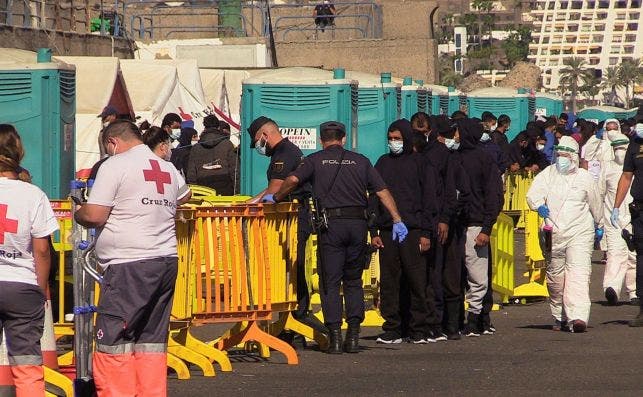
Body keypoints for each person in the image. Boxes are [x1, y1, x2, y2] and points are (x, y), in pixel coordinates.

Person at [266, 121, 408, 354]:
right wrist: (396, 218)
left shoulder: (314, 160)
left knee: (330, 281)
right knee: (353, 281)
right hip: (358, 225)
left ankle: (334, 337)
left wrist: (277, 198)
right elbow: (381, 191)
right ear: (343, 139)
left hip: (330, 226)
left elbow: (292, 180)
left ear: (323, 140)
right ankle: (353, 336)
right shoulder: (361, 161)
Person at [74, 120, 191, 396]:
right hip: (165, 260)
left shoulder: (115, 165)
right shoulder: (166, 167)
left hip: (129, 264)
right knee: (150, 340)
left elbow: (95, 215)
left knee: (113, 338)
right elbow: (186, 195)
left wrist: (80, 210)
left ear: (112, 143)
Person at [245, 116, 323, 334]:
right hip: (294, 216)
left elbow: (274, 190)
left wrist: (250, 205)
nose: (259, 147)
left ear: (264, 135)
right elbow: (272, 189)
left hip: (295, 218)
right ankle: (294, 318)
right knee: (290, 266)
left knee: (293, 266)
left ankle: (301, 314)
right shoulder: (287, 150)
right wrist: (251, 202)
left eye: (257, 142)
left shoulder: (283, 153)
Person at [0, 124, 58, 396]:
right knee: (27, 365)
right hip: (22, 287)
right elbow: (42, 250)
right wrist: (41, 288)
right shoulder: (34, 195)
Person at [369, 119, 437, 344]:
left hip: (414, 229)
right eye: (390, 139)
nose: (393, 142)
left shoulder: (421, 163)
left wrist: (426, 232)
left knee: (417, 280)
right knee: (390, 280)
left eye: (397, 139)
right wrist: (374, 230)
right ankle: (392, 327)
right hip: (388, 230)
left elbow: (429, 199)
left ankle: (418, 328)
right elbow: (374, 197)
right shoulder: (383, 163)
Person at [526, 136, 602, 332]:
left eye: (565, 155)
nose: (562, 158)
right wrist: (539, 206)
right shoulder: (548, 174)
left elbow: (595, 203)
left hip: (580, 231)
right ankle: (560, 315)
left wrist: (599, 224)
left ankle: (578, 317)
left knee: (579, 272)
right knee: (555, 277)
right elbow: (532, 195)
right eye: (559, 154)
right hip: (552, 233)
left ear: (574, 157)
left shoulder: (584, 177)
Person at [455, 118, 502, 337]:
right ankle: (476, 318)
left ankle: (474, 319)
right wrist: (487, 227)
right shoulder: (484, 159)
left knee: (471, 274)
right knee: (477, 275)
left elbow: (492, 196)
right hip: (473, 226)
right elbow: (495, 196)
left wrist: (485, 227)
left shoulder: (459, 159)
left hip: (469, 226)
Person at [599, 134, 637, 306]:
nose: (620, 152)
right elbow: (598, 194)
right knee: (615, 253)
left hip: (634, 215)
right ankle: (611, 288)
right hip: (612, 217)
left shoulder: (636, 166)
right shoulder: (606, 168)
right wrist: (599, 220)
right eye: (617, 148)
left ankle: (634, 292)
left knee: (634, 255)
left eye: (623, 148)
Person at [611, 122, 643, 326]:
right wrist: (616, 206)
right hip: (640, 209)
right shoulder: (635, 144)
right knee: (641, 257)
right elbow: (626, 176)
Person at [186, 115, 239, 195]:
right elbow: (235, 171)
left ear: (205, 128)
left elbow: (191, 175)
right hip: (226, 190)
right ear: (218, 127)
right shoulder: (227, 144)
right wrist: (237, 192)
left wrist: (195, 193)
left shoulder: (196, 148)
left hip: (203, 190)